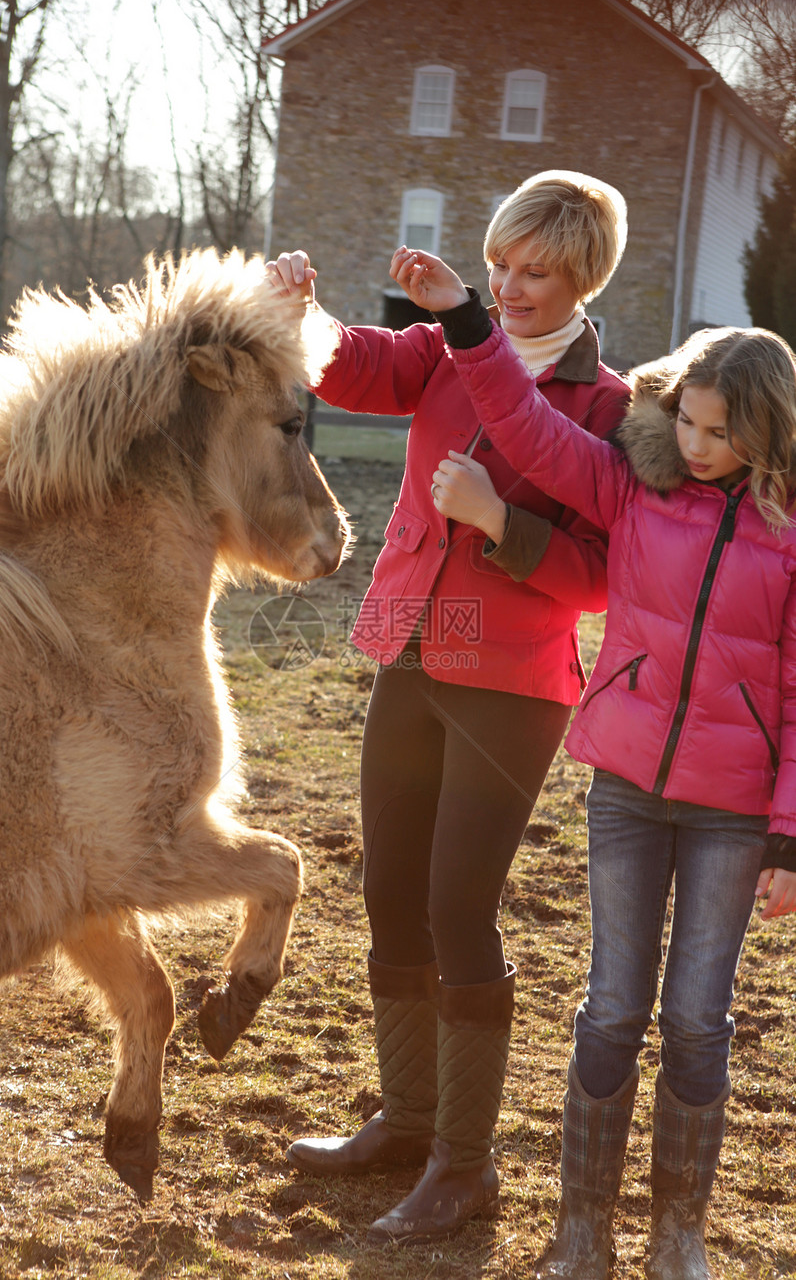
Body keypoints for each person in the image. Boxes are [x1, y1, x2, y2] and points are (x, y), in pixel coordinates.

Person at [391, 246, 796, 1277]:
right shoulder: (630, 487)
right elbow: (528, 428)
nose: (699, 448)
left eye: (722, 434)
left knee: (697, 1022)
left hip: (731, 814)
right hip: (623, 790)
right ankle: (580, 1235)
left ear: (766, 433)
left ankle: (676, 1237)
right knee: (611, 1005)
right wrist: (468, 322)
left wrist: (789, 837)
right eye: (689, 424)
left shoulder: (786, 537)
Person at [265, 170, 631, 1245]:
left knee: (456, 907)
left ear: (581, 280)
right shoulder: (435, 354)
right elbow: (346, 362)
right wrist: (299, 304)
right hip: (412, 653)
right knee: (387, 893)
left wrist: (498, 524)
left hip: (512, 683)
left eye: (536, 273)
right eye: (499, 267)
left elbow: (601, 577)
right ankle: (407, 1117)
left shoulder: (606, 408)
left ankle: (463, 1167)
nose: (509, 287)